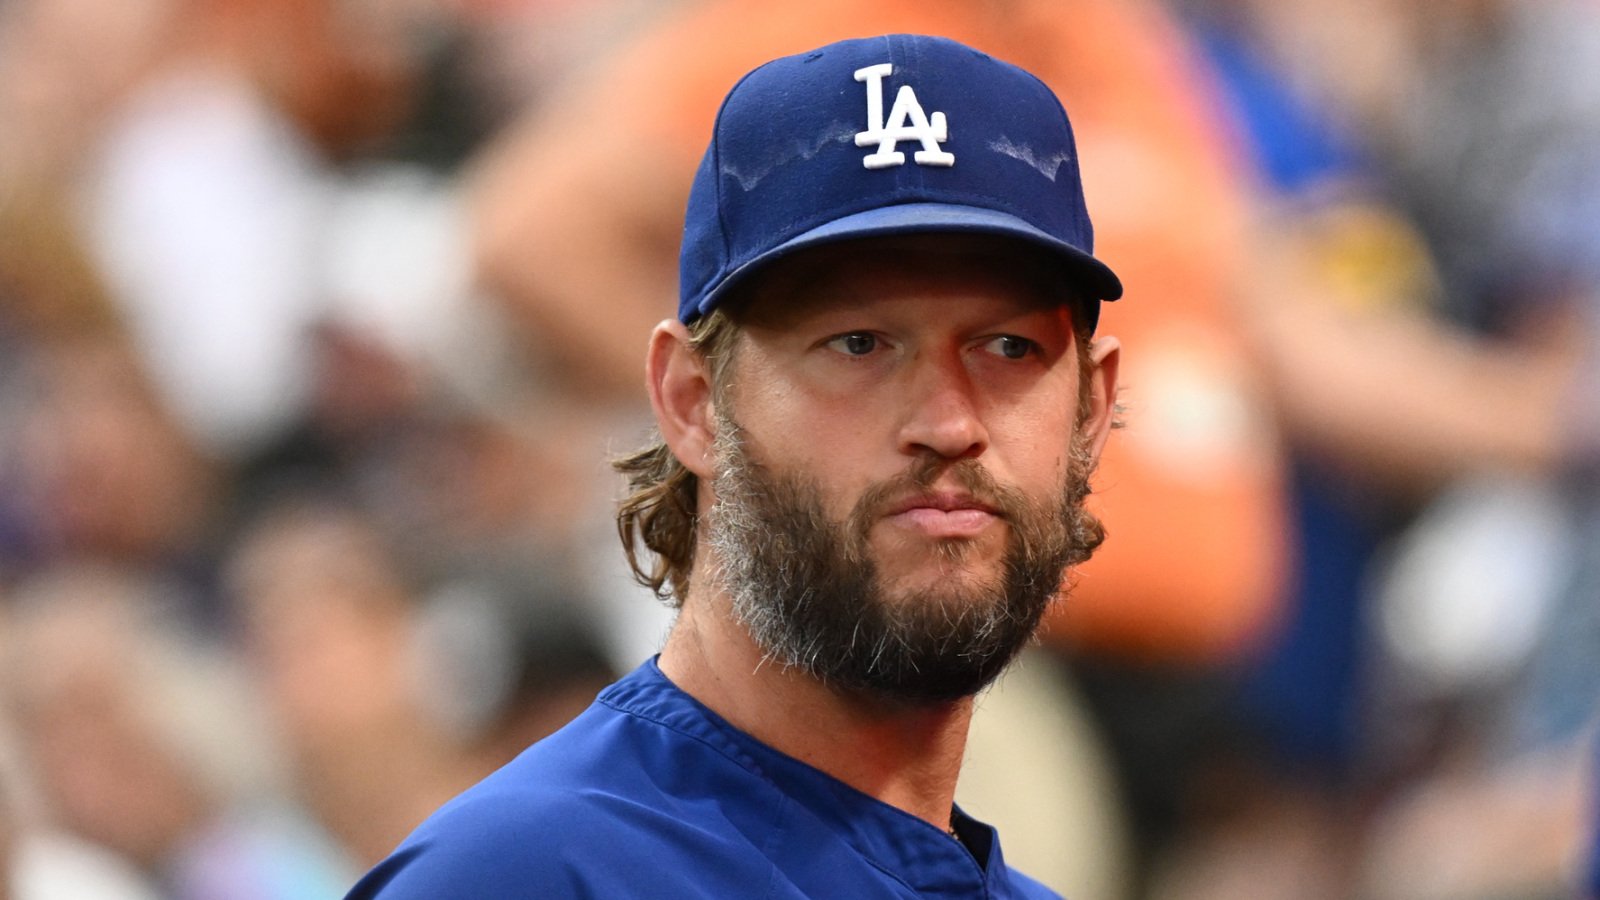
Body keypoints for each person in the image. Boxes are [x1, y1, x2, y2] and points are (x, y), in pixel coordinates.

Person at [347, 33, 1123, 897]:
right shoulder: (520, 877)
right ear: (692, 401)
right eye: (858, 344)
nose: (948, 423)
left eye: (1009, 347)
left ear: (1090, 409)